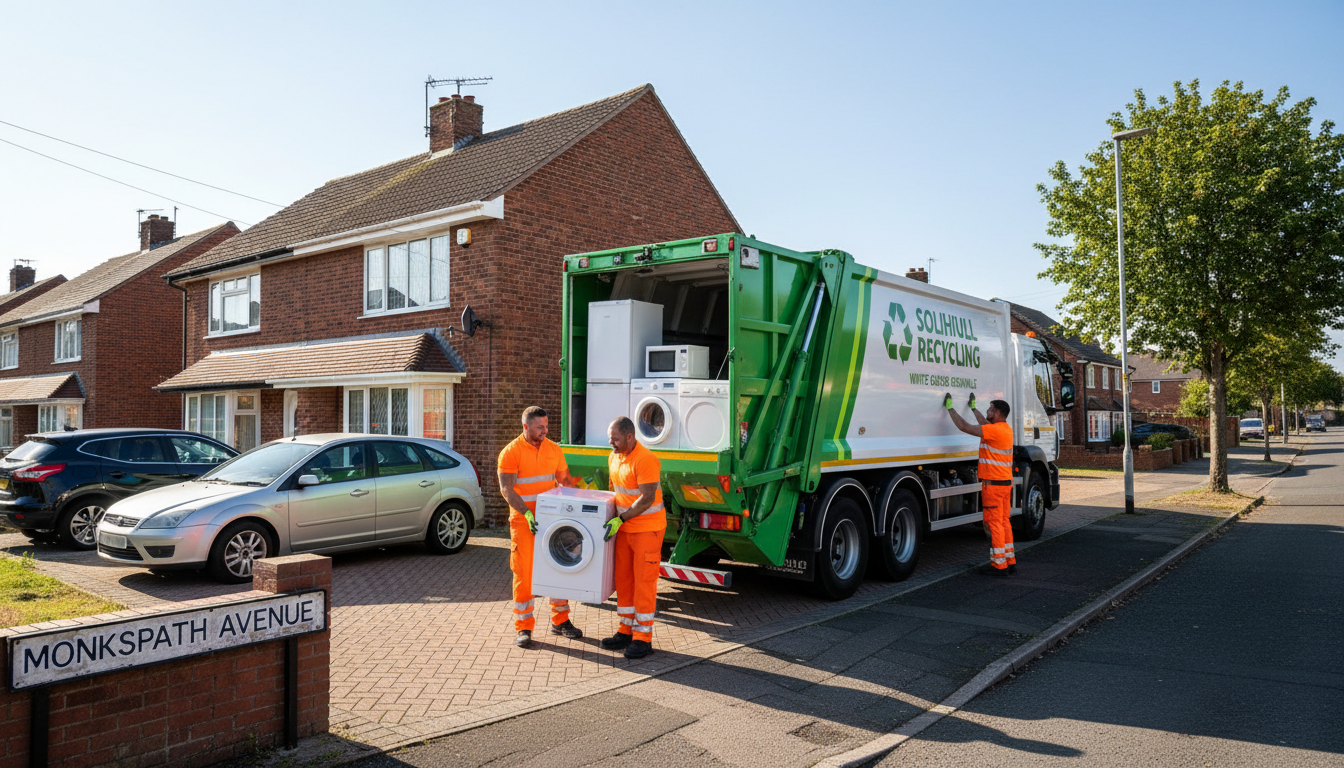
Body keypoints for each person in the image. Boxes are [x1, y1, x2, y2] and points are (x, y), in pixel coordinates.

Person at [497, 406, 582, 648]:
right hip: (524, 522)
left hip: (552, 520)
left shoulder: (554, 449)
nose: (545, 431)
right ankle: (524, 627)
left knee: (558, 567)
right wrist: (526, 513)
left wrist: (580, 506)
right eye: (540, 427)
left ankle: (561, 621)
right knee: (524, 574)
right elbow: (507, 489)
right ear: (525, 426)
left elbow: (565, 481)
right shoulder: (510, 453)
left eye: (546, 426)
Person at [599, 417, 664, 659]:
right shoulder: (614, 456)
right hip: (624, 528)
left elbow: (647, 498)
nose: (611, 443)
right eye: (609, 438)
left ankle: (643, 638)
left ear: (629, 436)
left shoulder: (646, 459)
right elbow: (615, 492)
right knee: (624, 581)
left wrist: (622, 518)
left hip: (647, 529)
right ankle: (625, 631)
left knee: (643, 584)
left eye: (615, 439)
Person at [944, 393, 1017, 577]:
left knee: (993, 525)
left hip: (992, 486)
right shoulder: (1005, 429)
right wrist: (973, 408)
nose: (988, 411)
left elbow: (963, 426)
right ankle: (1009, 561)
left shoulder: (995, 430)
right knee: (1003, 523)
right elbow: (985, 424)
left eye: (991, 409)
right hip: (1005, 484)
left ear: (999, 412)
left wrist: (950, 408)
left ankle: (999, 566)